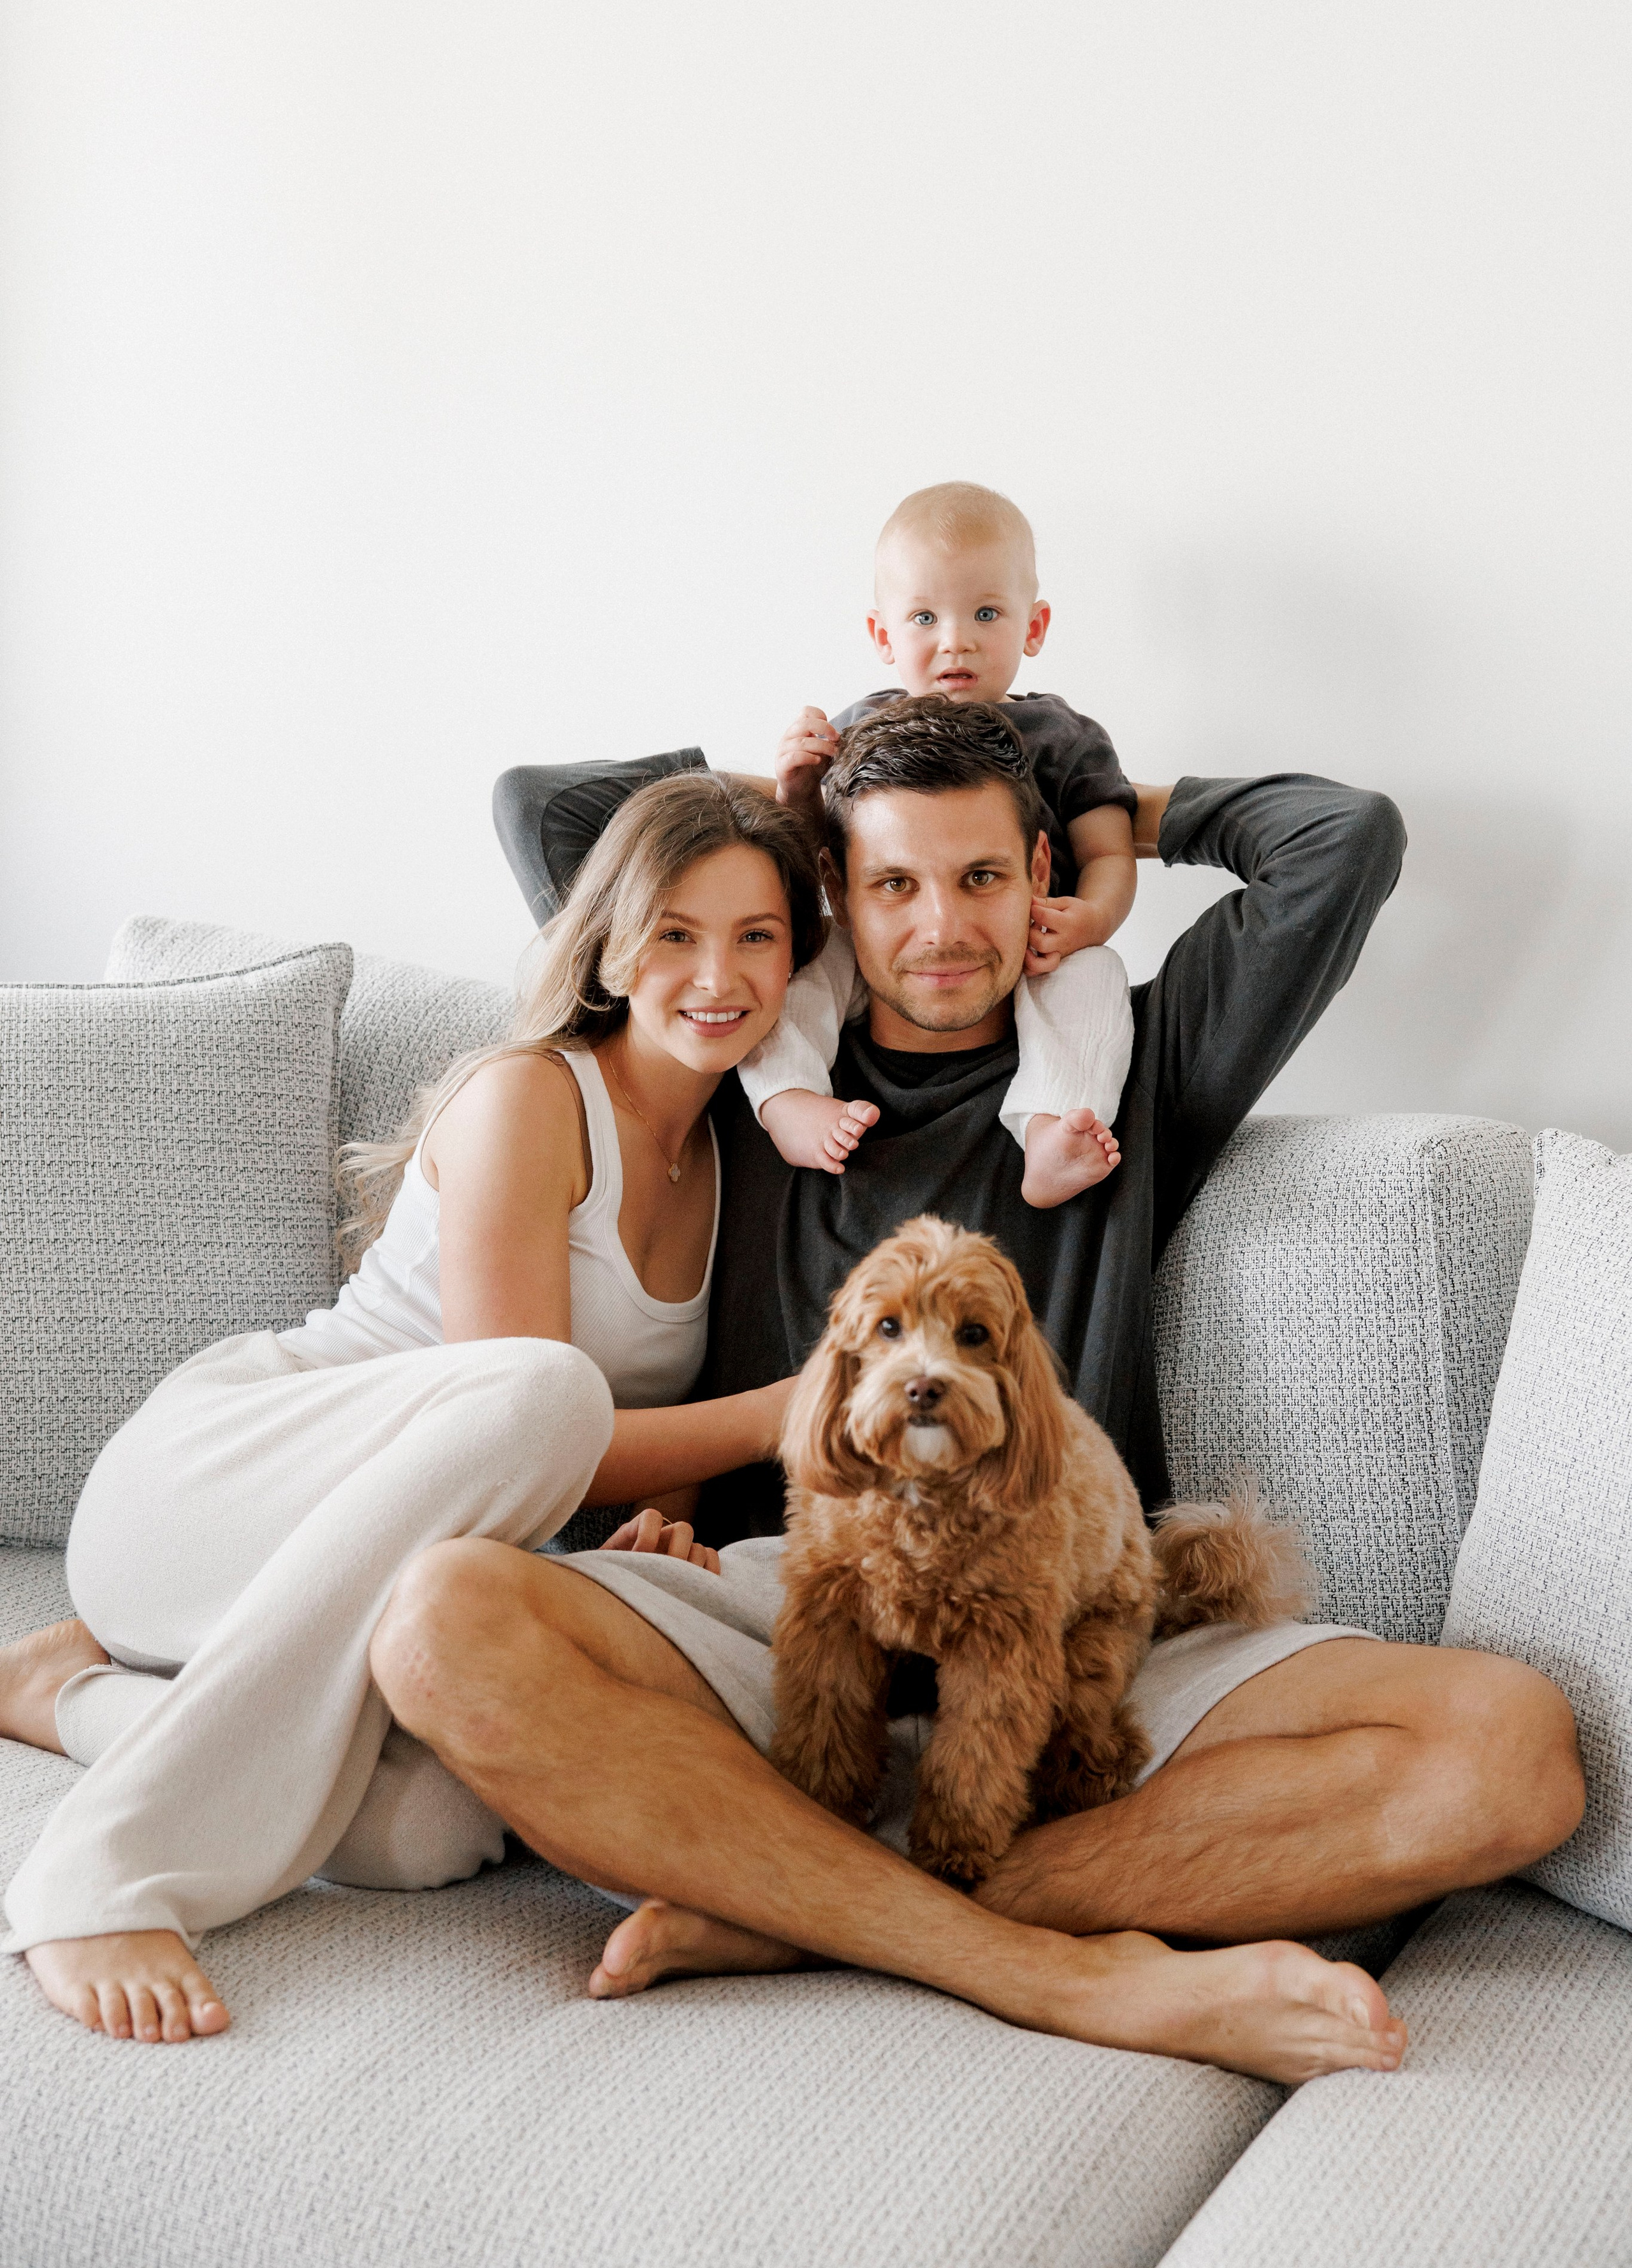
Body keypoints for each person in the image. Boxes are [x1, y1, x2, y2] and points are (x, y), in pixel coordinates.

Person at [418, 700, 1587, 2084]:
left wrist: (1094, 812)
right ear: (831, 902)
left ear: (1035, 878)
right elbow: (544, 810)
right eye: (890, 884)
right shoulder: (753, 1059)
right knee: (441, 1618)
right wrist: (804, 796)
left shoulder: (1131, 1072)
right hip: (790, 1598)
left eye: (980, 877)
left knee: (1507, 1751)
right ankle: (1028, 1961)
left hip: (1070, 1615)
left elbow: (1342, 840)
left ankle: (817, 1905)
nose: (939, 928)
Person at [0, 773, 825, 2043]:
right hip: (205, 1497)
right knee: (539, 1388)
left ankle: (62, 1695)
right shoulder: (529, 1099)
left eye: (754, 936)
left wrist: (640, 1541)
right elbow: (521, 1410)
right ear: (608, 943)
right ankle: (89, 1873)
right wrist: (783, 1414)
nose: (715, 974)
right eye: (674, 932)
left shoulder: (736, 1159)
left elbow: (610, 1449)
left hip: (354, 1576)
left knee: (434, 1830)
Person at [740, 480, 1135, 1207]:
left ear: (1034, 626)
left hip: (1033, 951)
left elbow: (1110, 850)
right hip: (880, 962)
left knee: (1095, 975)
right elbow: (813, 861)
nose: (955, 638)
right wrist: (792, 791)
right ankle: (787, 1098)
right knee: (795, 961)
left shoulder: (1066, 738)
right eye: (924, 616)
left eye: (986, 612)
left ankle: (1050, 1127)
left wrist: (1093, 919)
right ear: (883, 637)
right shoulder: (859, 735)